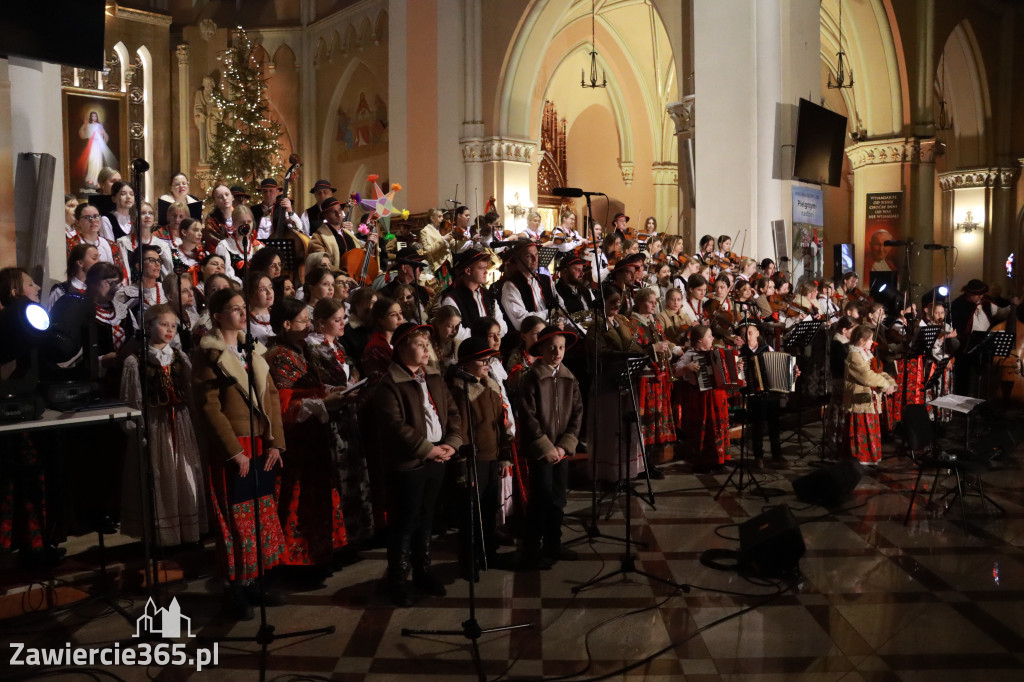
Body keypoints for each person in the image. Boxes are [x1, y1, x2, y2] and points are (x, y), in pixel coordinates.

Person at [192, 287, 288, 620]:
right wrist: (233, 451)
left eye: (243, 307)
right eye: (234, 309)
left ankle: (254, 581)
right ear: (217, 316)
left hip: (261, 443)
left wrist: (276, 441)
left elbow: (272, 396)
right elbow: (210, 407)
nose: (242, 313)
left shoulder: (253, 350)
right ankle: (234, 587)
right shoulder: (209, 354)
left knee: (261, 516)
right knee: (235, 520)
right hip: (236, 447)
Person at [371, 322, 462, 606]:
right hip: (408, 464)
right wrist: (427, 449)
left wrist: (453, 442)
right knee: (405, 522)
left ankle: (423, 571)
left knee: (427, 518)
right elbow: (394, 425)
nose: (427, 349)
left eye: (427, 344)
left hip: (438, 459)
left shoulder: (434, 376)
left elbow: (452, 410)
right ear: (400, 348)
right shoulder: (389, 383)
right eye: (419, 344)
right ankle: (397, 579)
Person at [266, 298, 347, 586]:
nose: (309, 326)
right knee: (298, 500)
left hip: (314, 435)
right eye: (303, 321)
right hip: (296, 439)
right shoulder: (278, 355)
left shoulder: (304, 350)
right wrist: (323, 401)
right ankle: (296, 563)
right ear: (286, 325)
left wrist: (332, 391)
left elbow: (312, 386)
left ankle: (320, 555)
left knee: (318, 498)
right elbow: (283, 403)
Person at [119, 304, 207, 547]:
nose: (169, 330)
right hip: (156, 425)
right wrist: (137, 430)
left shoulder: (180, 357)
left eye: (173, 326)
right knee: (161, 475)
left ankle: (188, 532)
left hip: (181, 422)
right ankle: (163, 535)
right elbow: (132, 400)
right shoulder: (135, 361)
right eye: (163, 324)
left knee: (185, 472)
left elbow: (191, 391)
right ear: (148, 326)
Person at [307, 298, 374, 545]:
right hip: (331, 417)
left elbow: (351, 368)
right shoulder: (313, 348)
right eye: (336, 320)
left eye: (343, 318)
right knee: (338, 474)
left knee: (354, 472)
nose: (342, 323)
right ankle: (339, 539)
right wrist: (339, 389)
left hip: (347, 413)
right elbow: (316, 384)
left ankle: (355, 534)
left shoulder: (339, 346)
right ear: (321, 323)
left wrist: (354, 379)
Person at [517, 325, 583, 569]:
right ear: (542, 350)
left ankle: (554, 544)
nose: (557, 352)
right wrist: (547, 447)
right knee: (540, 499)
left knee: (558, 499)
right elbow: (528, 416)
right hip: (541, 450)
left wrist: (565, 445)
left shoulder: (569, 377)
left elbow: (577, 413)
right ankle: (531, 549)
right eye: (552, 348)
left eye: (562, 348)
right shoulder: (532, 378)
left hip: (561, 450)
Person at [449, 337, 515, 577]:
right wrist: (464, 468)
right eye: (481, 360)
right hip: (474, 460)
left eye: (489, 360)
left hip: (492, 456)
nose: (487, 364)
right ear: (465, 364)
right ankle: (469, 560)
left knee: (488, 510)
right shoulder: (461, 391)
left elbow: (500, 424)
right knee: (471, 514)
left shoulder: (490, 386)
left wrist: (504, 455)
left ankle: (489, 552)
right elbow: (462, 432)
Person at [585, 285, 645, 483]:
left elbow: (633, 344)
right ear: (602, 303)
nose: (616, 306)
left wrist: (644, 353)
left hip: (626, 379)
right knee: (610, 428)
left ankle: (627, 470)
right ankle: (610, 474)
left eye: (618, 301)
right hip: (607, 383)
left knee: (628, 427)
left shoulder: (621, 321)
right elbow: (598, 354)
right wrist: (626, 356)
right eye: (612, 302)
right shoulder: (596, 327)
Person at [629, 287, 679, 457]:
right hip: (645, 378)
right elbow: (634, 350)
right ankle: (644, 460)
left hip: (660, 376)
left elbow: (662, 340)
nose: (653, 304)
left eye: (655, 301)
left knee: (657, 418)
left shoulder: (655, 321)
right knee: (646, 420)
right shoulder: (633, 323)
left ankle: (653, 457)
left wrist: (666, 349)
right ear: (640, 303)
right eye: (650, 301)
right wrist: (653, 348)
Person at [674, 325, 731, 473]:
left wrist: (736, 366)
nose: (712, 338)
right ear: (699, 340)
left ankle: (719, 459)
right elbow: (675, 370)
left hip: (717, 397)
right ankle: (702, 462)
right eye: (709, 336)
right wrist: (687, 368)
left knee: (718, 427)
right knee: (704, 429)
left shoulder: (714, 352)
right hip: (700, 398)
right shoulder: (690, 354)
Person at [841, 324, 897, 465]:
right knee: (860, 430)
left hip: (869, 399)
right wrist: (885, 385)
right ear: (861, 340)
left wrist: (891, 382)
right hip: (859, 400)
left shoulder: (866, 354)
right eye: (870, 339)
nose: (873, 342)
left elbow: (878, 371)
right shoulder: (854, 356)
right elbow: (866, 376)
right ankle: (859, 460)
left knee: (871, 429)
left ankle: (870, 459)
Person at [737, 322, 790, 470]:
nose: (747, 336)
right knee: (757, 426)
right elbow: (739, 379)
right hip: (753, 394)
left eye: (750, 333)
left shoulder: (767, 349)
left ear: (757, 334)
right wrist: (740, 370)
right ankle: (758, 456)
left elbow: (780, 366)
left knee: (775, 425)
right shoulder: (741, 354)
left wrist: (792, 372)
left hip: (771, 392)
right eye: (744, 334)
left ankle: (776, 455)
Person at [439, 248, 508, 339]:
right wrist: (486, 337)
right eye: (481, 268)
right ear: (468, 271)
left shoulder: (489, 295)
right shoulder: (452, 298)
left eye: (486, 268)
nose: (486, 272)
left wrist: (492, 336)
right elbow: (456, 332)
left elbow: (503, 327)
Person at [500, 241, 565, 331]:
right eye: (528, 256)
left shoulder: (546, 279)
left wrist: (559, 320)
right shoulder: (511, 286)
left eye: (536, 254)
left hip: (553, 331)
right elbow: (523, 321)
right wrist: (551, 314)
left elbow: (561, 305)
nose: (535, 259)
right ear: (518, 260)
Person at [308, 197, 374, 270]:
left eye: (339, 210)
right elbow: (321, 264)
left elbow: (361, 254)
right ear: (325, 215)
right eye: (333, 212)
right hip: (336, 278)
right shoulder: (318, 236)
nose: (338, 214)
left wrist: (370, 244)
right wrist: (340, 275)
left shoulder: (347, 233)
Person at [68, 203, 127, 283]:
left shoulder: (112, 245)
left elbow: (121, 272)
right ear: (77, 222)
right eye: (87, 217)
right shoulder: (71, 244)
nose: (93, 220)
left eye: (96, 216)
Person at [116, 200, 173, 279]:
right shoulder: (123, 242)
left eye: (150, 213)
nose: (147, 216)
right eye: (143, 213)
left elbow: (168, 275)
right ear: (133, 219)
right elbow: (124, 273)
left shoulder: (162, 245)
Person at [362, 296, 405, 386]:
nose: (400, 318)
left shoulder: (400, 340)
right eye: (393, 315)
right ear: (381, 320)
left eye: (400, 313)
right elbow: (378, 381)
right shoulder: (375, 347)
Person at [215, 205, 263, 283]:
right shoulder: (224, 246)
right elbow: (226, 275)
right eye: (242, 222)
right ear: (234, 224)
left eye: (249, 222)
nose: (246, 225)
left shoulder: (258, 246)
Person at [48, 243, 97, 310]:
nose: (99, 261)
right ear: (80, 263)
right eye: (94, 258)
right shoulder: (61, 290)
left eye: (99, 257)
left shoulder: (98, 290)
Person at [77, 111, 116, 190]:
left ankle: (97, 179)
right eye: (92, 116)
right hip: (91, 145)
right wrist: (84, 125)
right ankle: (91, 178)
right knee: (92, 161)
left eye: (95, 116)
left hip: (97, 145)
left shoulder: (99, 125)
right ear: (90, 117)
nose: (94, 118)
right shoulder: (88, 125)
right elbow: (83, 135)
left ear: (97, 117)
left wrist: (102, 134)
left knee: (98, 162)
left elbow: (105, 135)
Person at [203, 183, 236, 251]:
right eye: (220, 197)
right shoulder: (211, 222)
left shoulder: (241, 217)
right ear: (215, 202)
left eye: (227, 195)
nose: (224, 198)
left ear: (232, 197)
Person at [246, 271, 275, 346]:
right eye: (262, 289)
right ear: (250, 294)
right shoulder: (246, 322)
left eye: (270, 287)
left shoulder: (278, 314)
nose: (269, 292)